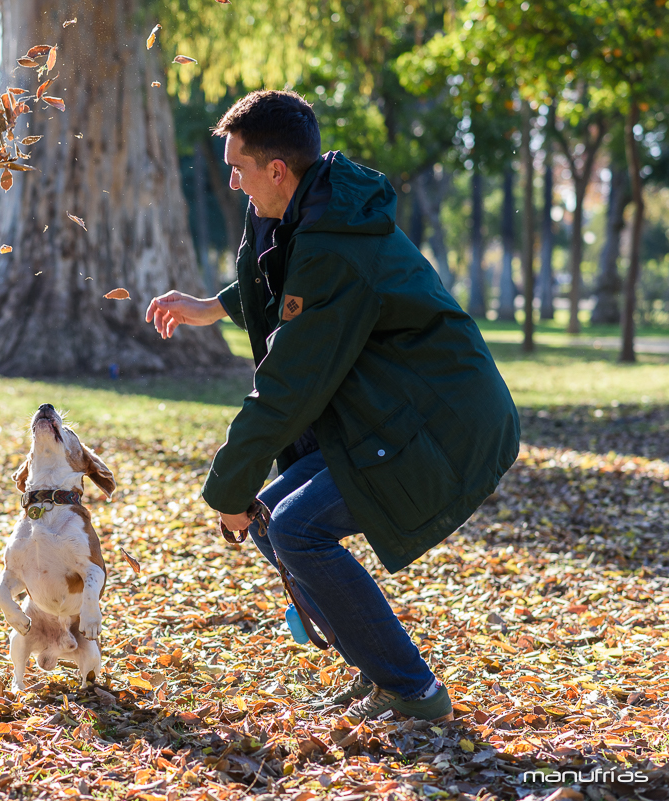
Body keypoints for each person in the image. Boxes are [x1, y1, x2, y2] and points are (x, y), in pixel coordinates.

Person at [145, 90, 519, 723]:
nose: (233, 182)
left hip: (445, 425)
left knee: (295, 527)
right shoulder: (307, 214)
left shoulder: (335, 241)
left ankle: (414, 692)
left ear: (277, 170)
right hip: (390, 414)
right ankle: (380, 674)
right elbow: (285, 286)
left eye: (238, 168)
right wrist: (214, 306)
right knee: (275, 519)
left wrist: (228, 489)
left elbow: (289, 383)